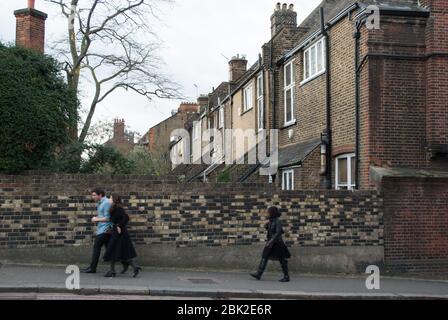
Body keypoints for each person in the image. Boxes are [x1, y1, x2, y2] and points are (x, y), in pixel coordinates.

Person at [103, 194, 141, 278]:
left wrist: (119, 226)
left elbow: (126, 218)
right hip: (116, 232)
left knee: (114, 250)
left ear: (114, 199)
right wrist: (113, 227)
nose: (109, 199)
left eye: (110, 198)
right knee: (117, 251)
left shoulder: (118, 208)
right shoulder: (114, 207)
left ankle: (113, 271)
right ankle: (133, 267)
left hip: (119, 233)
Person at [250, 206, 291, 282]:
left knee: (282, 260)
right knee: (264, 256)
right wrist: (267, 227)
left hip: (277, 243)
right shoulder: (271, 221)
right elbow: (271, 231)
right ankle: (259, 274)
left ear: (272, 213)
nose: (267, 213)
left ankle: (286, 276)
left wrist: (271, 241)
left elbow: (278, 232)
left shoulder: (277, 221)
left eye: (268, 212)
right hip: (271, 242)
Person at [81, 188, 113, 274]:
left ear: (100, 195)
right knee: (109, 250)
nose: (93, 197)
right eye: (92, 195)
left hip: (105, 230)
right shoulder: (101, 202)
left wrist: (96, 219)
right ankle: (127, 263)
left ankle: (93, 268)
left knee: (97, 248)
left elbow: (108, 218)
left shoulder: (106, 203)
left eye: (94, 195)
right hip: (103, 229)